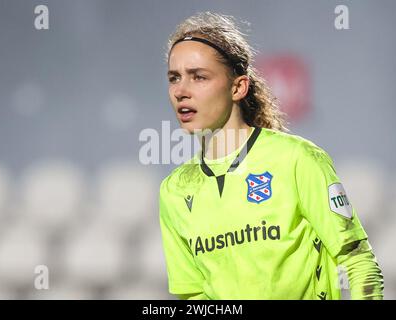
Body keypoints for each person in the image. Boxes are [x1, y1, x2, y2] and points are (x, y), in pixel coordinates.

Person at [159, 12, 384, 300]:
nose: (181, 91)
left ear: (238, 87)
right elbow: (193, 297)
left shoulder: (297, 160)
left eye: (199, 77)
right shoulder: (174, 191)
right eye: (174, 78)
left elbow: (357, 262)